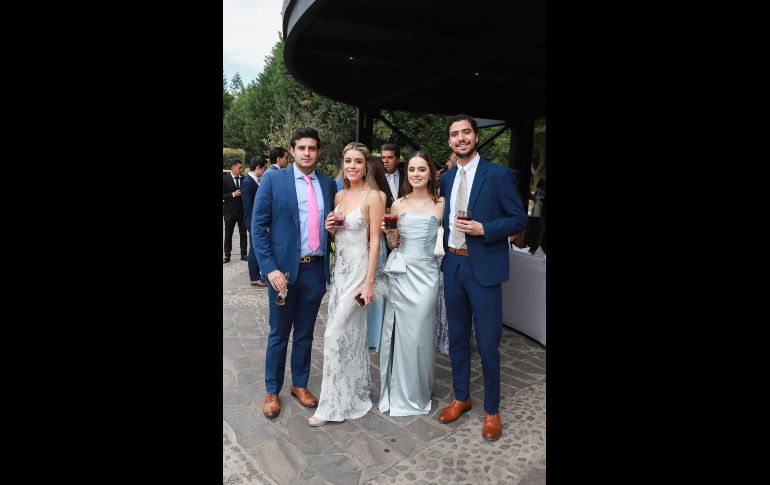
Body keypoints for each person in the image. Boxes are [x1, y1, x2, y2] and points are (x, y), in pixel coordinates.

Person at [437, 114, 528, 441]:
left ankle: (492, 410)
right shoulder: (446, 178)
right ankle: (462, 396)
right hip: (453, 266)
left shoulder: (499, 175)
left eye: (465, 132)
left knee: (488, 344)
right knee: (458, 338)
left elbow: (520, 220)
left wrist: (485, 229)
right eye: (454, 134)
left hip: (484, 270)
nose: (460, 138)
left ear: (476, 136)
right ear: (450, 141)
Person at [252, 128, 337, 418]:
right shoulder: (274, 180)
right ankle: (272, 389)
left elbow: (331, 225)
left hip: (315, 268)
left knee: (305, 333)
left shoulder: (327, 183)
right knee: (278, 333)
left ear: (318, 152)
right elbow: (258, 228)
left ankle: (299, 384)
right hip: (283, 273)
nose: (307, 153)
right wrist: (270, 268)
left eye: (312, 148)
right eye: (301, 148)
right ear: (292, 150)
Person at [309, 142, 385, 426]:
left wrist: (369, 282)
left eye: (358, 162)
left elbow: (375, 241)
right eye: (348, 161)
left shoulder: (374, 196)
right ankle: (351, 394)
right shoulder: (339, 194)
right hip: (339, 273)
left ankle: (329, 407)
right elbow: (336, 234)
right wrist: (330, 228)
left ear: (366, 165)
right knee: (348, 336)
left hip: (358, 275)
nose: (352, 166)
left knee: (333, 335)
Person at [379, 151, 444, 417]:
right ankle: (398, 390)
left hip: (427, 276)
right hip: (402, 274)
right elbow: (393, 244)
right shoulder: (398, 205)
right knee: (401, 335)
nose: (416, 174)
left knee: (420, 335)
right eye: (412, 170)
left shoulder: (441, 203)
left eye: (422, 169)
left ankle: (419, 388)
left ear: (430, 172)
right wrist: (390, 234)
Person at [365, 156, 388, 351]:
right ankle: (374, 335)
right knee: (376, 292)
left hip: (373, 245)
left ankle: (371, 336)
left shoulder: (378, 195)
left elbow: (374, 230)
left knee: (375, 289)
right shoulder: (381, 194)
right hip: (376, 245)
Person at [241, 156, 268, 287]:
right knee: (254, 248)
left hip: (256, 221)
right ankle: (254, 277)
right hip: (252, 221)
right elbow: (248, 206)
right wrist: (255, 222)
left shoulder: (256, 181)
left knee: (257, 247)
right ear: (258, 167)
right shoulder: (247, 182)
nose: (264, 171)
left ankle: (258, 275)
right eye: (264, 168)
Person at [223, 159, 248, 263]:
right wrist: (233, 194)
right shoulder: (225, 179)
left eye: (242, 168)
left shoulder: (245, 179)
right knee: (228, 233)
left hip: (242, 211)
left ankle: (244, 254)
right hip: (229, 211)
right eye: (240, 168)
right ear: (233, 168)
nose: (241, 170)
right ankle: (227, 255)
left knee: (243, 233)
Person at [379, 143, 404, 209]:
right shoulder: (376, 178)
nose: (385, 161)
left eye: (390, 157)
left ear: (398, 160)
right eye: (383, 158)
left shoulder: (407, 177)